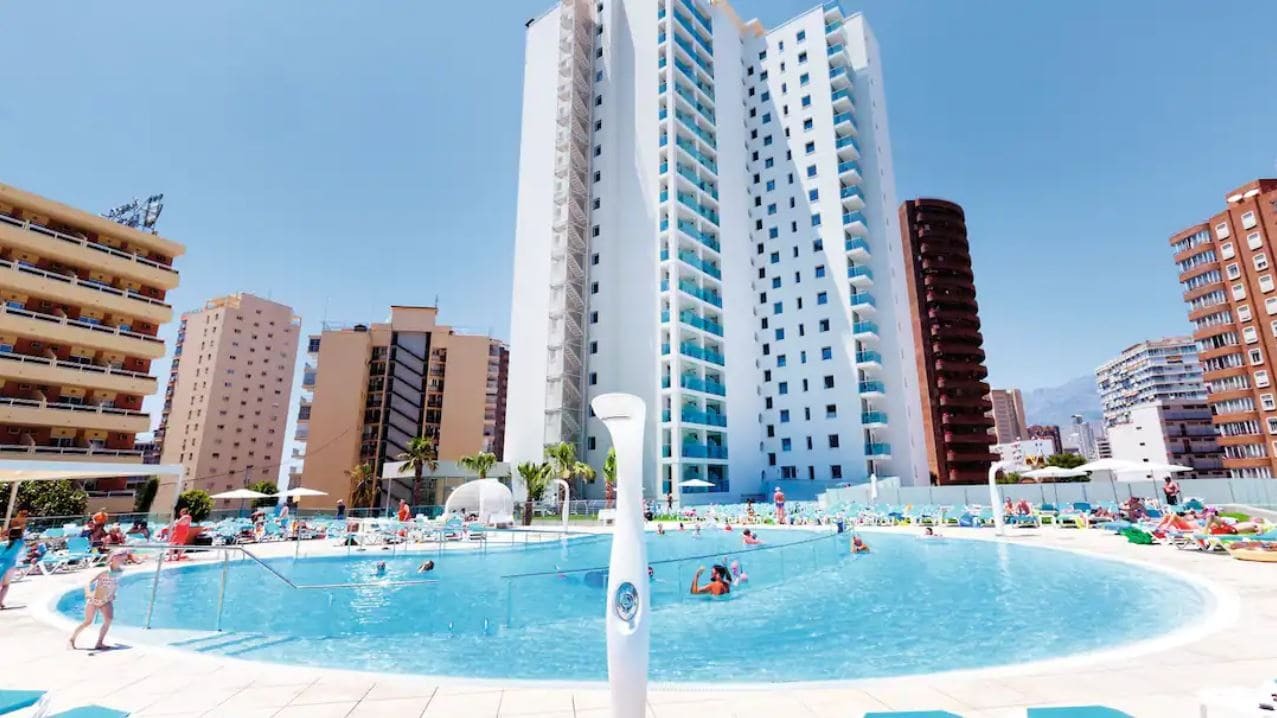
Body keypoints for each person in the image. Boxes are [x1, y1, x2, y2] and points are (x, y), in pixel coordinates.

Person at [69, 551, 125, 650]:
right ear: (112, 558)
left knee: (108, 620)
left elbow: (115, 583)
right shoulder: (104, 570)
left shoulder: (120, 571)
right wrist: (88, 594)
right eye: (118, 557)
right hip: (95, 598)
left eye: (122, 557)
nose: (121, 559)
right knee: (87, 621)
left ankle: (99, 642)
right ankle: (72, 639)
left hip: (106, 599)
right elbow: (88, 582)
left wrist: (113, 593)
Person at [0, 528, 24, 609]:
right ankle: (0, 602)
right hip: (10, 566)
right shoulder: (20, 543)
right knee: (5, 586)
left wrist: (2, 536)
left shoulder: (2, 544)